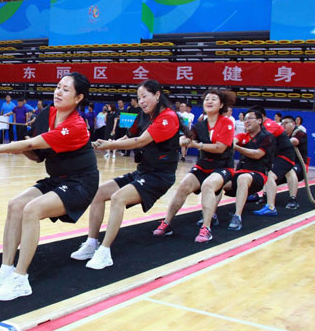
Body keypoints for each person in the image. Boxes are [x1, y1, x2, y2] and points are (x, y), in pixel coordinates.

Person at [0, 72, 98, 301]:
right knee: (15, 205)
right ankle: (6, 270)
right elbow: (37, 155)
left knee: (32, 209)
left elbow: (33, 143)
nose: (58, 92)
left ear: (79, 98)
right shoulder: (47, 114)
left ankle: (21, 279)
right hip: (57, 179)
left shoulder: (76, 125)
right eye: (58, 86)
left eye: (66, 89)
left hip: (81, 183)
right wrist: (21, 149)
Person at [71, 79, 182, 269]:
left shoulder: (168, 117)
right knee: (99, 193)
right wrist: (107, 142)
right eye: (139, 98)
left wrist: (110, 145)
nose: (141, 101)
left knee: (118, 198)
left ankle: (105, 251)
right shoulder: (143, 115)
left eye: (145, 96)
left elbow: (140, 141)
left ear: (157, 95)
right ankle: (92, 243)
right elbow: (128, 137)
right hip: (143, 172)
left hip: (159, 176)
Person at [152, 88, 236, 243]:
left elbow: (220, 148)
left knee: (208, 185)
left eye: (213, 99)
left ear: (221, 105)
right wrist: (183, 140)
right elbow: (187, 138)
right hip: (203, 165)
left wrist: (198, 145)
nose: (209, 101)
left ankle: (206, 228)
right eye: (207, 99)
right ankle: (166, 223)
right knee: (183, 186)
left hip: (223, 166)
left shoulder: (227, 123)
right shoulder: (199, 125)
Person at [219, 109, 275, 230]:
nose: (246, 121)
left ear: (259, 121)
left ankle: (237, 216)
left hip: (258, 175)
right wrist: (230, 143)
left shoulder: (268, 137)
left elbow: (257, 154)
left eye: (250, 118)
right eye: (245, 119)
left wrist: (237, 148)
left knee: (243, 178)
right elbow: (233, 141)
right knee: (218, 180)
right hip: (239, 173)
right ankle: (210, 215)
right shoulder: (243, 136)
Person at [252, 105, 295, 212]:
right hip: (275, 156)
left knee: (270, 176)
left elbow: (261, 141)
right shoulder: (262, 126)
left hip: (285, 156)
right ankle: (265, 197)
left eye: (251, 118)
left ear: (261, 117)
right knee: (265, 173)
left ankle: (271, 207)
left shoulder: (270, 125)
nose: (249, 121)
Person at [280, 115, 309, 209]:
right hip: (285, 163)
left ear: (293, 124)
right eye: (282, 124)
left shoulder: (299, 133)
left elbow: (294, 141)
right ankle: (265, 196)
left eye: (286, 123)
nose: (283, 125)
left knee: (290, 171)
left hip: (299, 165)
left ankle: (293, 199)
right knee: (269, 171)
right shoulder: (282, 135)